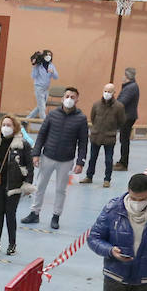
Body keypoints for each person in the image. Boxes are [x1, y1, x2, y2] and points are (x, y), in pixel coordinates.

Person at [22, 86, 88, 230]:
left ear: (77, 100)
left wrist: (80, 162)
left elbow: (83, 142)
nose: (69, 99)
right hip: (48, 156)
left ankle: (56, 216)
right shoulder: (52, 114)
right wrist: (36, 154)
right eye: (67, 96)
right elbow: (41, 135)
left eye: (73, 97)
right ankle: (34, 213)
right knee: (40, 186)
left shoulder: (81, 119)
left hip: (66, 160)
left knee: (60, 190)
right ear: (63, 98)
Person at [0, 114, 35, 256]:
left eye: (9, 125)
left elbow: (29, 166)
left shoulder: (23, 144)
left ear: (15, 127)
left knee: (10, 214)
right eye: (4, 125)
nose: (6, 128)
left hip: (15, 185)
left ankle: (12, 244)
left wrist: (28, 184)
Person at [82, 83, 126, 187]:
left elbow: (121, 121)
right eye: (105, 91)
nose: (107, 93)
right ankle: (89, 176)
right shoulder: (96, 105)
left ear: (114, 93)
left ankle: (107, 179)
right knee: (92, 158)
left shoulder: (119, 107)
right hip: (96, 136)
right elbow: (93, 118)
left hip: (109, 138)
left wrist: (112, 129)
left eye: (109, 91)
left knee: (108, 160)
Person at [115, 67, 139, 170]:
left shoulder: (131, 87)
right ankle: (122, 161)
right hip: (127, 116)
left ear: (127, 76)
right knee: (123, 139)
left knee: (124, 140)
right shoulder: (130, 86)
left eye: (124, 75)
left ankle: (124, 163)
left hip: (127, 117)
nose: (122, 77)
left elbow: (122, 102)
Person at [28, 49, 58, 120]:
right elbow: (33, 76)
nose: (48, 56)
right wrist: (35, 66)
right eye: (47, 55)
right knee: (42, 107)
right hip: (38, 87)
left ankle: (26, 120)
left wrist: (53, 72)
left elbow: (56, 77)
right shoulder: (38, 66)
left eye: (50, 55)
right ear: (43, 56)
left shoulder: (51, 65)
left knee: (40, 106)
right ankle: (44, 123)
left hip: (46, 89)